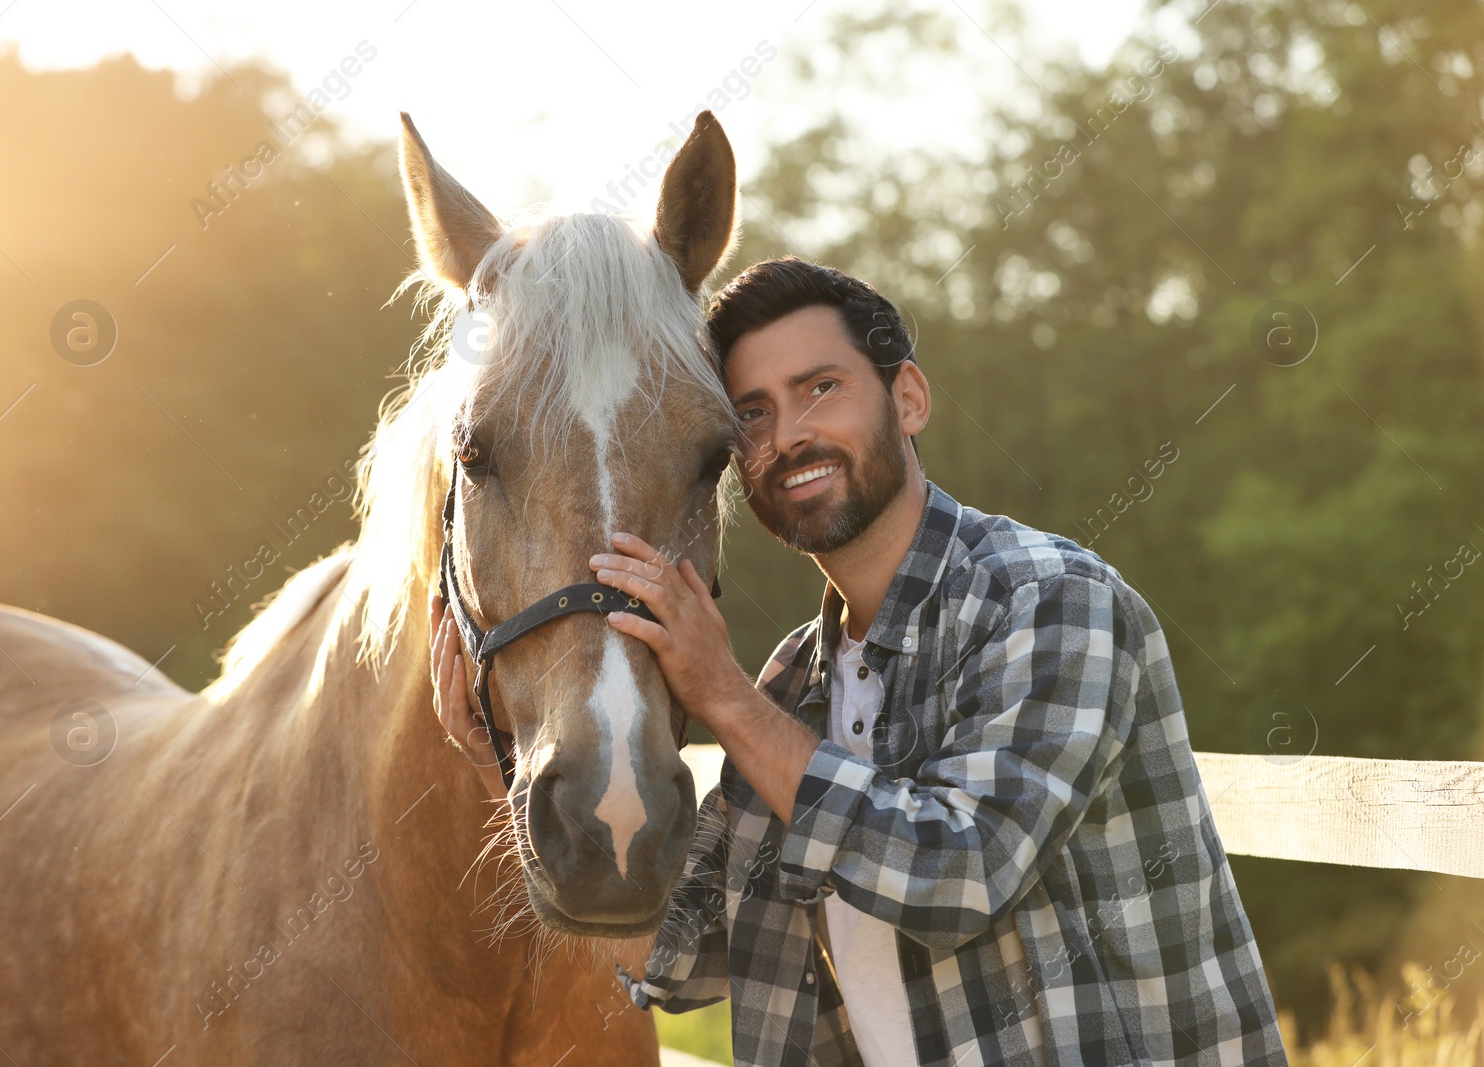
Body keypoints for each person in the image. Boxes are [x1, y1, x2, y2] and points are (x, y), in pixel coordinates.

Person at [432, 256, 1288, 1066]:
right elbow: (682, 951)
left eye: (821, 388)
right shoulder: (796, 685)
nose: (789, 435)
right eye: (753, 413)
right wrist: (500, 761)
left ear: (908, 397)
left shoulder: (1052, 600)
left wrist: (724, 698)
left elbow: (962, 872)